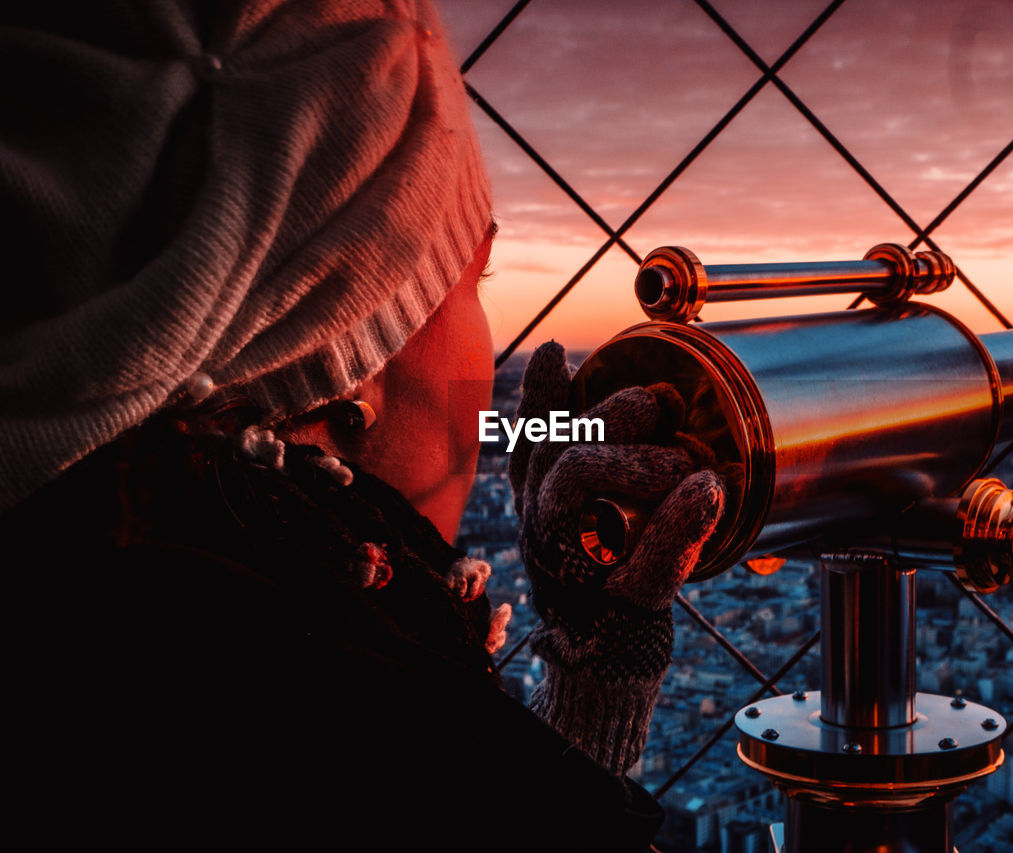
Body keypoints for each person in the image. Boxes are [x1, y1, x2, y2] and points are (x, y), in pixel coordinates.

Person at [0, 2, 723, 848]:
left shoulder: (88, 616)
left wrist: (572, 711)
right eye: (475, 278)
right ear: (352, 356)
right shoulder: (355, 741)